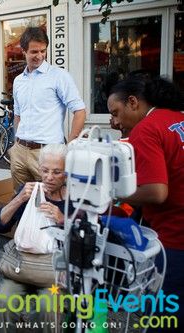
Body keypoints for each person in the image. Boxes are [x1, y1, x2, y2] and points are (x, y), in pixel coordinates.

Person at [107, 76, 184, 331]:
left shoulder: (147, 129)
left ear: (133, 102)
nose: (115, 122)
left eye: (116, 113)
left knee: (163, 317)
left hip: (173, 239)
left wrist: (115, 193)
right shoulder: (177, 119)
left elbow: (156, 191)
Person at [0, 144, 73, 332]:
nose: (49, 177)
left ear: (67, 173)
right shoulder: (29, 191)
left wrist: (62, 219)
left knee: (48, 305)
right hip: (20, 268)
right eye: (45, 171)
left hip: (54, 274)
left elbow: (84, 239)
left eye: (57, 172)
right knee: (3, 301)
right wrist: (19, 199)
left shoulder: (74, 199)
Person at [9, 27, 86, 190]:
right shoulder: (18, 81)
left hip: (47, 153)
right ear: (23, 51)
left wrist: (70, 145)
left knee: (51, 202)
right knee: (21, 200)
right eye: (34, 52)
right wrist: (16, 144)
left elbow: (79, 111)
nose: (40, 56)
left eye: (43, 51)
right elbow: (18, 114)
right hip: (20, 151)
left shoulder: (59, 76)